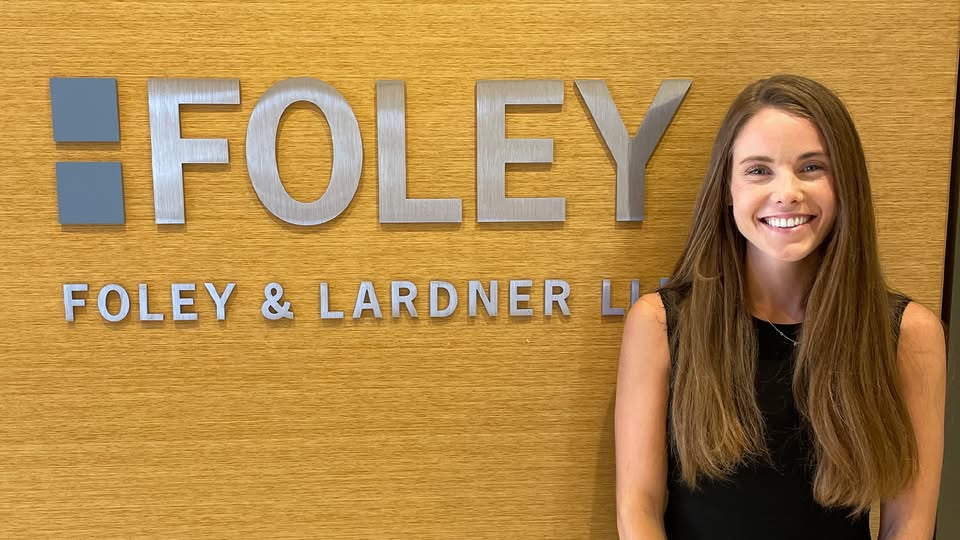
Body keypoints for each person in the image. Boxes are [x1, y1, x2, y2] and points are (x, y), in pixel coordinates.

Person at [614, 75, 946, 540]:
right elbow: (638, 509)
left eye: (812, 167)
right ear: (726, 188)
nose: (787, 191)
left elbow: (908, 525)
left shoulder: (909, 333)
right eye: (758, 170)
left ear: (845, 183)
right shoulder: (661, 323)